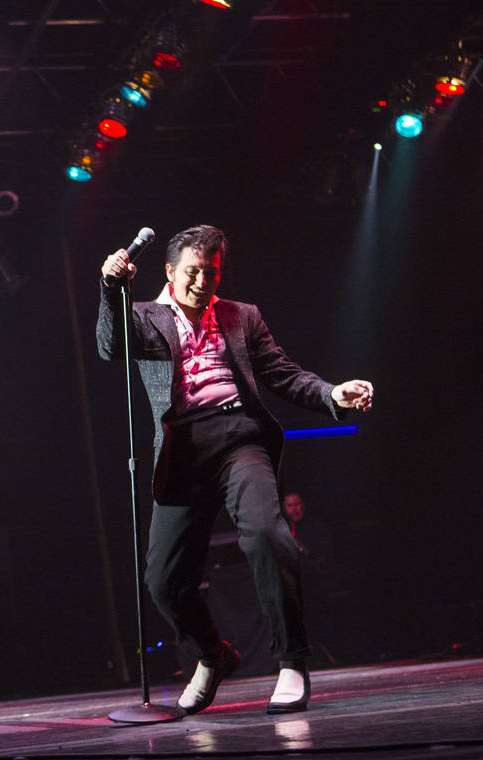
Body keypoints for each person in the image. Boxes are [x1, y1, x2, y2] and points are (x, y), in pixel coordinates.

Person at [97, 224, 373, 715]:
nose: (202, 281)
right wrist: (110, 286)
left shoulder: (241, 316)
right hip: (181, 449)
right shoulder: (142, 316)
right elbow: (110, 346)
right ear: (169, 271)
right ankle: (211, 653)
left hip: (239, 437)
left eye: (211, 272)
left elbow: (283, 375)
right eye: (192, 272)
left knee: (268, 535)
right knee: (162, 581)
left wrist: (331, 393)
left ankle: (291, 661)